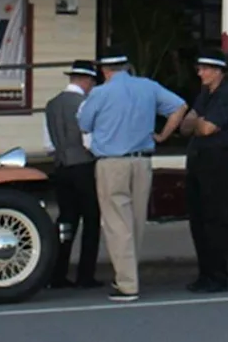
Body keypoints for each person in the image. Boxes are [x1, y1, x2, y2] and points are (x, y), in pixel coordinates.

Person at [76, 50, 187, 302]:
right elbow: (179, 107)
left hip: (111, 162)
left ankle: (127, 284)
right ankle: (129, 274)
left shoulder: (100, 93)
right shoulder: (148, 87)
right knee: (136, 221)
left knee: (117, 223)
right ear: (127, 66)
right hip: (142, 160)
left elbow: (84, 124)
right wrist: (163, 135)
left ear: (105, 70)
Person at [180, 51, 228, 293]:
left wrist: (198, 122)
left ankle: (218, 276)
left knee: (214, 219)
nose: (200, 73)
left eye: (205, 68)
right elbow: (187, 125)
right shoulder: (205, 94)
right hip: (198, 158)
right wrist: (198, 122)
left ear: (217, 70)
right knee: (198, 219)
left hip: (217, 159)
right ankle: (204, 274)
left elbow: (206, 128)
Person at [43, 60, 103, 290]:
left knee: (66, 221)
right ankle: (85, 275)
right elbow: (88, 141)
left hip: (60, 166)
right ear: (87, 81)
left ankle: (57, 273)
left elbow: (48, 144)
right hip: (84, 167)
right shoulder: (83, 104)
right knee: (91, 220)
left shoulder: (51, 104)